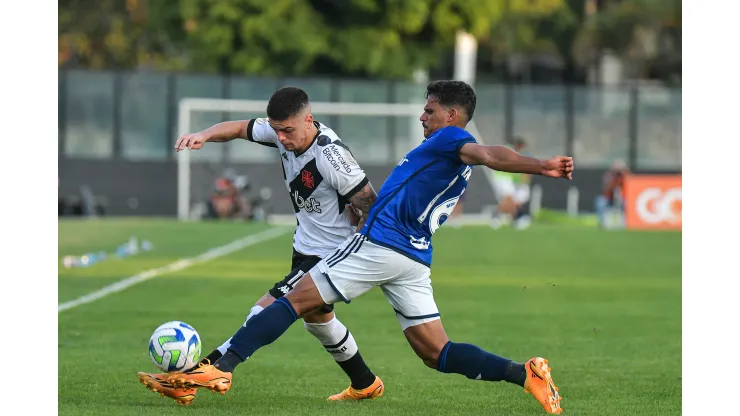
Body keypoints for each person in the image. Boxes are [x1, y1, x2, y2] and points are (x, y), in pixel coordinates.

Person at [165, 81, 574, 414]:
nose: (422, 116)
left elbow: (489, 153)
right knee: (437, 353)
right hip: (414, 257)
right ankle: (525, 374)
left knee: (294, 299)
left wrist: (540, 165)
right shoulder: (449, 152)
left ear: (451, 115)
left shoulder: (451, 138)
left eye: (429, 110)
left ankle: (222, 369)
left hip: (381, 243)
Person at [137, 87, 384, 405]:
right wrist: (204, 135)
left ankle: (205, 373)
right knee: (319, 323)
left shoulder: (331, 156)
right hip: (305, 248)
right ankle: (365, 384)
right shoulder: (283, 130)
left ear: (308, 120)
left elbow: (371, 206)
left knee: (266, 308)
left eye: (287, 130)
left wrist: (353, 256)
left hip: (330, 255)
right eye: (276, 130)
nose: (280, 138)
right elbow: (240, 128)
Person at [490, 136, 533, 229]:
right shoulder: (509, 152)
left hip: (508, 179)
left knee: (512, 200)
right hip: (502, 177)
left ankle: (514, 218)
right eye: (522, 146)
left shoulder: (520, 154)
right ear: (518, 145)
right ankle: (498, 217)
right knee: (509, 198)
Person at [595, 159, 629, 229]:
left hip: (623, 198)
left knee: (626, 203)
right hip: (609, 198)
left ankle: (627, 223)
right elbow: (606, 189)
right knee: (600, 202)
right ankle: (603, 223)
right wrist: (614, 180)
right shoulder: (609, 176)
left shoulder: (626, 176)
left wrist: (624, 175)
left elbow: (631, 186)